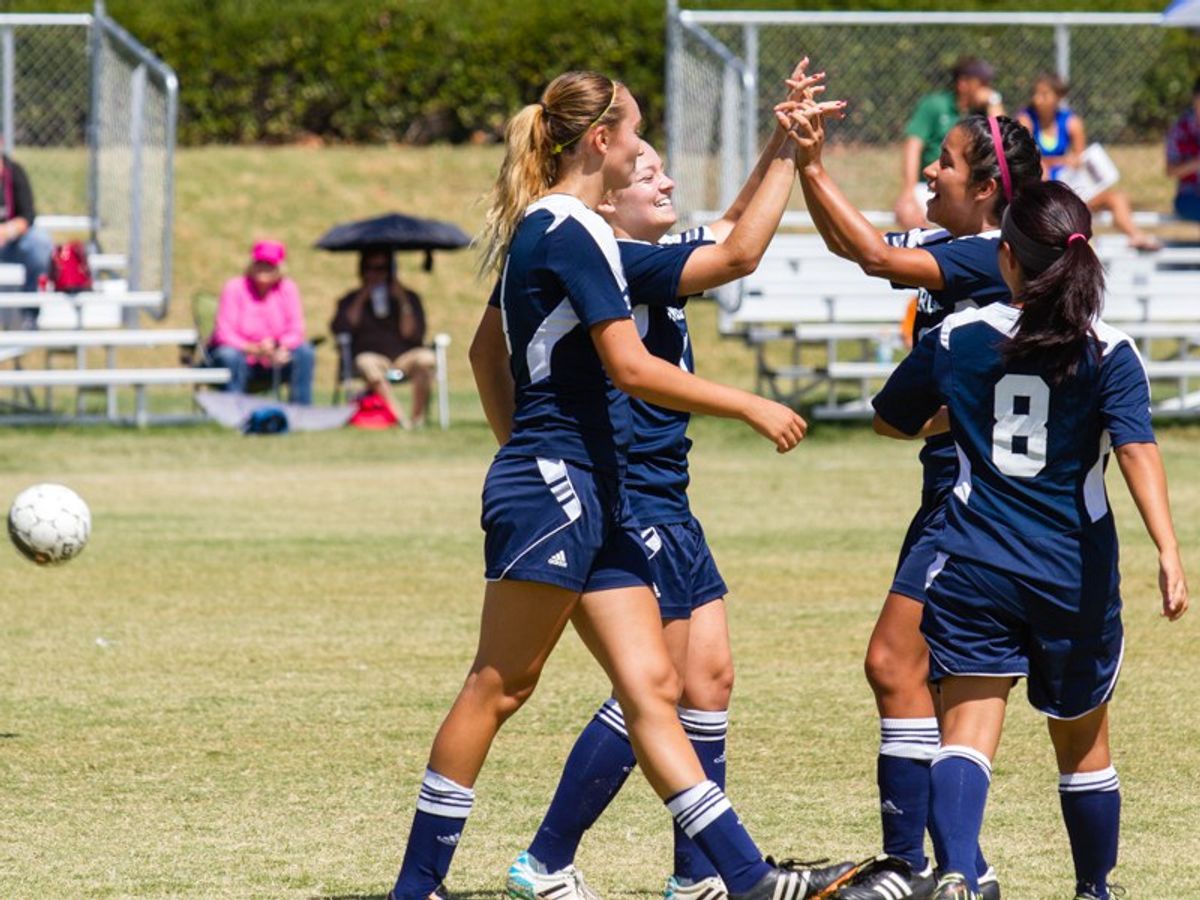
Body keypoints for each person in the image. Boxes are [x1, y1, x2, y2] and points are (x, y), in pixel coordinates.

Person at [388, 70, 850, 900]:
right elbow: (630, 367)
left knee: (654, 689)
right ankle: (416, 888)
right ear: (601, 140)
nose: (647, 151)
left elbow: (497, 352)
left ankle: (744, 878)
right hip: (560, 488)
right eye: (637, 133)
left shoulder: (580, 231)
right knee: (501, 685)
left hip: (593, 490)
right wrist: (747, 403)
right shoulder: (566, 229)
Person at [870, 180, 1189, 900]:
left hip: (976, 561)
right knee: (1081, 745)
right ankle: (1092, 890)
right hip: (1068, 573)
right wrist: (1169, 552)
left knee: (967, 731)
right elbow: (1136, 450)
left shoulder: (959, 336)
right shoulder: (1111, 350)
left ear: (1006, 259)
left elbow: (891, 418)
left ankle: (956, 873)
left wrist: (962, 419)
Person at [780, 98, 1042, 900]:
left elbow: (872, 254)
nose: (928, 170)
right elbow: (856, 248)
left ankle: (913, 869)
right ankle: (956, 870)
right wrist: (806, 173)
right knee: (919, 680)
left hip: (968, 502)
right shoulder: (951, 245)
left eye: (947, 163)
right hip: (948, 492)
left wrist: (811, 164)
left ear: (990, 188)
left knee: (894, 662)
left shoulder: (986, 252)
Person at [1017, 72, 1160, 251]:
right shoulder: (1026, 120)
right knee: (1043, 171)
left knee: (1117, 198)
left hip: (1069, 187)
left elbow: (1080, 158)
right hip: (1045, 192)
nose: (1038, 100)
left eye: (1044, 94)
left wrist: (1072, 162)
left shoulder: (1071, 122)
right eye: (1035, 94)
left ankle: (1135, 236)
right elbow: (1026, 159)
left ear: (1058, 97)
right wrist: (1058, 161)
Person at [330, 250, 437, 427]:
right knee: (367, 362)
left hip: (405, 357)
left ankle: (417, 419)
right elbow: (342, 327)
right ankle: (400, 418)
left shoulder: (409, 297)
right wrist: (363, 296)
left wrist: (402, 300)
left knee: (426, 359)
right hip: (372, 357)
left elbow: (411, 332)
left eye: (382, 269)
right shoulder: (350, 299)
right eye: (370, 268)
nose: (376, 273)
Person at [894, 57, 1004, 230]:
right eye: (982, 83)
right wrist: (908, 192)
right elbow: (913, 147)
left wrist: (993, 101)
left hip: (971, 190)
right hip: (930, 186)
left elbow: (1003, 144)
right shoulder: (934, 105)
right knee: (906, 211)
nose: (987, 88)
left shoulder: (985, 111)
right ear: (963, 83)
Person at [210, 239, 315, 405]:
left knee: (304, 352)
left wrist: (280, 347)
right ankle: (233, 409)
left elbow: (296, 329)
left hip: (276, 357)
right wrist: (252, 349)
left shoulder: (288, 288)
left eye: (270, 264)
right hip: (241, 356)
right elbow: (224, 331)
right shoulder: (234, 288)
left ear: (280, 267)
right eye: (260, 263)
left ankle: (301, 411)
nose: (264, 268)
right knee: (228, 355)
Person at [0, 144, 54, 328]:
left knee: (40, 243)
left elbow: (27, 216)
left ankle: (30, 315)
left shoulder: (14, 173)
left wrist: (7, 231)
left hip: (11, 243)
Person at [1166, 74, 1200, 223]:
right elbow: (1171, 171)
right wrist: (1196, 163)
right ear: (1194, 99)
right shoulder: (1181, 129)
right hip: (1191, 196)